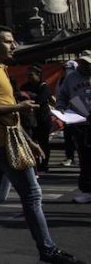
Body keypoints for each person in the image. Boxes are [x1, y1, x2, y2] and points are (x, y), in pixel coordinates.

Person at [0, 26, 81, 264]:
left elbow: (7, 115)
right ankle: (47, 251)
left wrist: (30, 140)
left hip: (5, 139)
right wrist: (19, 107)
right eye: (8, 41)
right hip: (0, 142)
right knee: (32, 195)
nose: (14, 46)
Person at [56, 53, 91, 204]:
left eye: (88, 63)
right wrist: (60, 108)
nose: (85, 66)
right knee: (85, 158)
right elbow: (62, 95)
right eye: (82, 63)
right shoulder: (71, 78)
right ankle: (88, 191)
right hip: (80, 122)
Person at [18, 65, 53, 172]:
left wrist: (30, 96)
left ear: (38, 75)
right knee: (31, 141)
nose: (28, 77)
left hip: (43, 119)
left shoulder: (44, 87)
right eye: (27, 75)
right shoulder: (25, 86)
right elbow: (20, 98)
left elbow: (40, 100)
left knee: (43, 142)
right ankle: (34, 164)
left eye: (31, 75)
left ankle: (44, 164)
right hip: (29, 120)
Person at [61, 60, 79, 167]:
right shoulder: (62, 81)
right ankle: (70, 157)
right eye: (65, 69)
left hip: (80, 114)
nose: (67, 71)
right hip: (67, 114)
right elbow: (61, 95)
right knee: (68, 137)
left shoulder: (78, 80)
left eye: (69, 69)